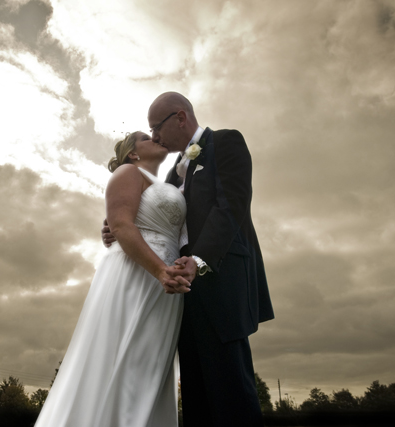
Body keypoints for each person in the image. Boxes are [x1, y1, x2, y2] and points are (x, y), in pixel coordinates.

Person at [103, 92, 274, 426]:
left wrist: (200, 259)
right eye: (150, 132)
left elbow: (231, 207)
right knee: (195, 393)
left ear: (180, 118)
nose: (154, 136)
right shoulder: (170, 177)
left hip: (220, 280)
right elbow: (154, 218)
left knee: (231, 391)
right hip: (181, 293)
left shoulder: (226, 142)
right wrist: (115, 228)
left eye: (156, 127)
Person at [35, 131, 190, 427]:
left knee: (151, 366)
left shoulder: (169, 183)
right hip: (139, 274)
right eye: (147, 137)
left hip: (166, 281)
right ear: (133, 153)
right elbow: (120, 224)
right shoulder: (128, 172)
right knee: (125, 357)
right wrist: (159, 270)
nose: (157, 137)